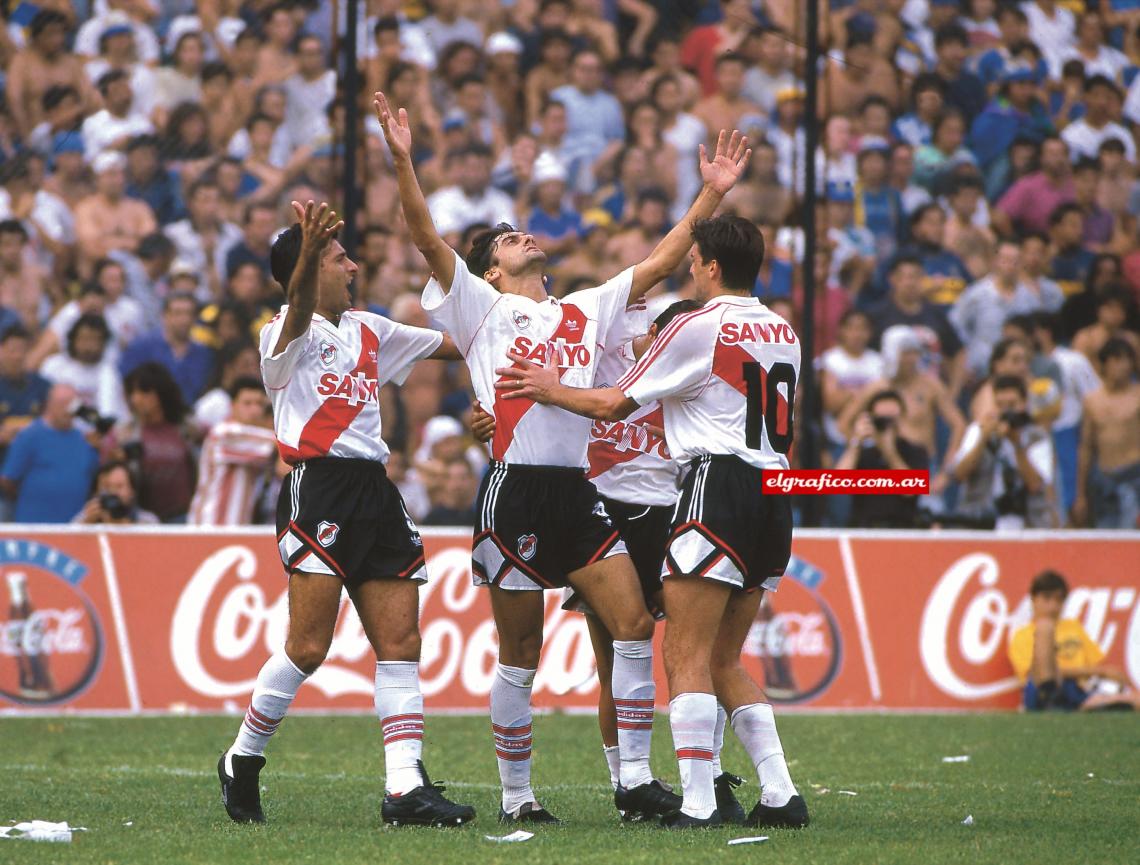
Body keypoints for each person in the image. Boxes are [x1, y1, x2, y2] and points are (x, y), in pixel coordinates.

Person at [378, 87, 749, 824]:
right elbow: (423, 235)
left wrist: (710, 193)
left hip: (579, 492)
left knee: (635, 627)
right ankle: (518, 795)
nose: (520, 235)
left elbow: (661, 260)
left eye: (520, 231)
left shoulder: (584, 306)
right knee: (521, 654)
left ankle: (637, 783)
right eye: (506, 238)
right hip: (513, 492)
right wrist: (403, 162)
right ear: (488, 270)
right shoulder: (482, 308)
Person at [495, 214, 808, 830]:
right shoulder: (785, 330)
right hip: (775, 491)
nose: (687, 270)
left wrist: (548, 389)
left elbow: (614, 402)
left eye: (695, 262)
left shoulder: (695, 325)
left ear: (712, 266)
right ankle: (780, 793)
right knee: (725, 658)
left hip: (714, 487)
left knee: (685, 656)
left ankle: (696, 802)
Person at [216, 199, 474, 828]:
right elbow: (299, 308)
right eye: (338, 257)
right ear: (305, 268)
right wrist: (306, 253)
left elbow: (454, 344)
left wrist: (494, 307)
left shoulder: (370, 329)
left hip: (375, 492)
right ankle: (242, 756)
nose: (353, 265)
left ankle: (405, 787)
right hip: (318, 487)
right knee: (309, 646)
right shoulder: (280, 333)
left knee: (401, 642)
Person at [470, 298, 751, 823]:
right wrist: (487, 414)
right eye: (640, 321)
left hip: (674, 514)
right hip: (607, 512)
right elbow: (520, 394)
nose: (645, 333)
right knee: (614, 661)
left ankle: (709, 776)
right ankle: (627, 783)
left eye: (652, 324)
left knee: (700, 652)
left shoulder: (686, 373)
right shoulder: (592, 362)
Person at [1009, 570, 1140, 711]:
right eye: (1047, 599)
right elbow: (1037, 673)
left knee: (1134, 699)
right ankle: (1064, 701)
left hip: (1077, 689)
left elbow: (1096, 665)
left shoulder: (1073, 627)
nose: (1053, 606)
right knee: (1045, 628)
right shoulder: (1023, 634)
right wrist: (1101, 672)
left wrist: (1109, 677)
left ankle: (1093, 704)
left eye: (1058, 600)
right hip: (1042, 690)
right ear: (1033, 599)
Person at [951, 375, 1056, 529]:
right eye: (1000, 405)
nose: (1006, 411)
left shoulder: (1037, 436)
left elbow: (1035, 485)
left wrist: (1017, 443)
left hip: (1026, 522)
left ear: (1024, 404)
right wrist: (983, 439)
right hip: (979, 520)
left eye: (1012, 405)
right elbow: (959, 474)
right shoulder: (977, 430)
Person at [0, 384, 99, 523]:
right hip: (34, 525)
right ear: (49, 404)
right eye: (62, 404)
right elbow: (8, 479)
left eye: (72, 405)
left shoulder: (84, 439)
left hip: (74, 527)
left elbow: (92, 476)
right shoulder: (30, 436)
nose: (68, 410)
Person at [188, 377, 277, 526]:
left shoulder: (257, 436)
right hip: (209, 524)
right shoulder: (223, 433)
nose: (255, 410)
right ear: (232, 405)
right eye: (247, 403)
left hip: (238, 527)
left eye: (260, 404)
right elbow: (280, 443)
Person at [836, 390, 930, 528]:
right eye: (881, 419)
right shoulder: (862, 453)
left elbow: (910, 490)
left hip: (902, 529)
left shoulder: (915, 452)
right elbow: (837, 484)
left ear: (902, 418)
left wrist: (889, 452)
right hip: (864, 528)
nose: (886, 424)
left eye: (891, 419)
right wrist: (856, 441)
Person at [1074, 339, 1140, 529]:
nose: (1122, 366)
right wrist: (1080, 494)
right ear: (1105, 363)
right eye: (1116, 360)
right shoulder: (1092, 401)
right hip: (1105, 476)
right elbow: (1085, 446)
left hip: (1135, 474)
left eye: (1126, 360)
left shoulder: (1137, 396)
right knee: (1105, 530)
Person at [120, 292, 215, 405]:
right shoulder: (141, 347)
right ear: (165, 316)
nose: (184, 319)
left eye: (189, 313)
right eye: (177, 313)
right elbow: (126, 385)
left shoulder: (203, 354)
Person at [72, 460, 159, 524]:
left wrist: (128, 529)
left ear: (132, 491)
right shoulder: (84, 519)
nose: (113, 492)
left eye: (119, 486)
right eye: (106, 486)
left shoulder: (148, 521)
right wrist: (86, 525)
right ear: (96, 492)